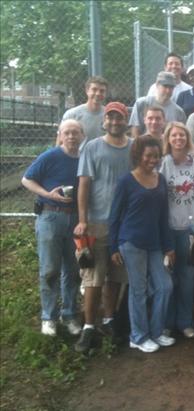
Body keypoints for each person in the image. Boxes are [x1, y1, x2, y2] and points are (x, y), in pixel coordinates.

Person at [73, 102, 132, 353]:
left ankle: (109, 319)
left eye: (119, 118)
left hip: (124, 224)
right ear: (104, 121)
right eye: (111, 118)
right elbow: (84, 185)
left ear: (126, 121)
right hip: (97, 222)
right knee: (94, 277)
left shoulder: (133, 148)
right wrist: (83, 220)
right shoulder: (93, 147)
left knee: (116, 276)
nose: (115, 122)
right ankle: (88, 327)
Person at [109, 136, 175, 353]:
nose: (153, 160)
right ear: (138, 155)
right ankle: (138, 336)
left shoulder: (161, 180)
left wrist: (168, 246)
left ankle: (156, 332)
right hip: (131, 242)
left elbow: (163, 216)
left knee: (164, 286)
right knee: (138, 290)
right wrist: (114, 246)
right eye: (148, 155)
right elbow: (115, 216)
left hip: (155, 243)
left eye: (156, 156)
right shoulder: (126, 181)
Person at [22, 119, 84, 337]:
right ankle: (48, 316)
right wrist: (47, 194)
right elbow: (26, 179)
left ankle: (69, 314)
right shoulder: (50, 156)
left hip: (75, 219)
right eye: (67, 132)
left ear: (82, 135)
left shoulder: (84, 159)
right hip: (50, 216)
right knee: (49, 268)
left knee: (73, 269)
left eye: (75, 132)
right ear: (60, 135)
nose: (71, 137)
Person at [160, 122, 194, 339]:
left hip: (190, 229)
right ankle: (167, 323)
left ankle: (185, 322)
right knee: (169, 279)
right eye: (174, 135)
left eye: (182, 135)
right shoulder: (163, 164)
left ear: (188, 139)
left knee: (187, 278)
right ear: (168, 139)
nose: (178, 139)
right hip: (169, 228)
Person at [130, 71, 187, 138]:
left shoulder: (178, 112)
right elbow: (135, 129)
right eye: (165, 86)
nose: (168, 90)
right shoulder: (142, 103)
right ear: (157, 85)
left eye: (171, 87)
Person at [62, 76, 108, 147]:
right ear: (87, 91)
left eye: (102, 91)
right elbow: (60, 140)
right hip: (78, 156)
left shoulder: (109, 115)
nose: (98, 93)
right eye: (94, 89)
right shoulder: (72, 115)